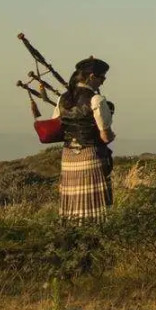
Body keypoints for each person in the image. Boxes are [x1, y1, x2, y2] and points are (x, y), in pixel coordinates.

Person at [54, 57, 114, 221]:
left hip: (68, 157)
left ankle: (72, 234)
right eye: (102, 78)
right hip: (90, 155)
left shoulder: (63, 99)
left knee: (73, 202)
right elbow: (106, 137)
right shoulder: (96, 100)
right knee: (94, 205)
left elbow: (57, 124)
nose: (102, 83)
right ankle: (95, 235)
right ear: (92, 76)